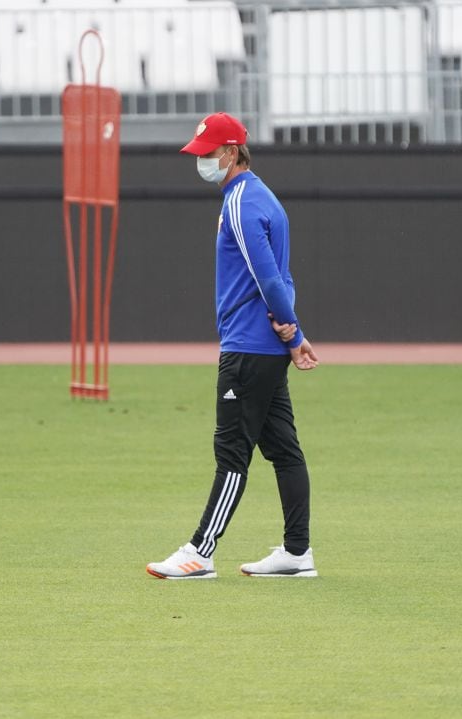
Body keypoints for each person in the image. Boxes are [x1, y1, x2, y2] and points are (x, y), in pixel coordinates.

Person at [146, 112, 320, 580]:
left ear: (230, 153)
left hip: (246, 348)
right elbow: (284, 277)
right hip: (262, 348)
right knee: (284, 449)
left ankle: (200, 552)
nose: (200, 160)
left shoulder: (241, 203)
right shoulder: (263, 197)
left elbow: (269, 277)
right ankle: (297, 552)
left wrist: (293, 331)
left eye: (206, 153)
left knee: (231, 452)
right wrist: (291, 332)